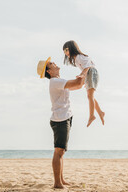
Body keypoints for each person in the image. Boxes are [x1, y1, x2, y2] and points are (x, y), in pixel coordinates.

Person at [37, 57, 84, 189]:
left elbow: (78, 86)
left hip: (65, 118)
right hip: (60, 120)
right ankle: (57, 183)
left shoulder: (59, 82)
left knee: (61, 152)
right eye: (52, 64)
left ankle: (61, 180)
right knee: (58, 151)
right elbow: (76, 83)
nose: (55, 64)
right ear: (49, 71)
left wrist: (83, 77)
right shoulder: (55, 82)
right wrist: (85, 71)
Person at [63, 40, 105, 127]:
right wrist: (84, 77)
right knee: (90, 96)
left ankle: (92, 115)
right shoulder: (76, 58)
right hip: (88, 74)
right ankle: (100, 112)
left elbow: (88, 66)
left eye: (66, 50)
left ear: (72, 48)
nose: (65, 52)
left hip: (91, 72)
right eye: (64, 51)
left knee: (90, 96)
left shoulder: (79, 56)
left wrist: (82, 75)